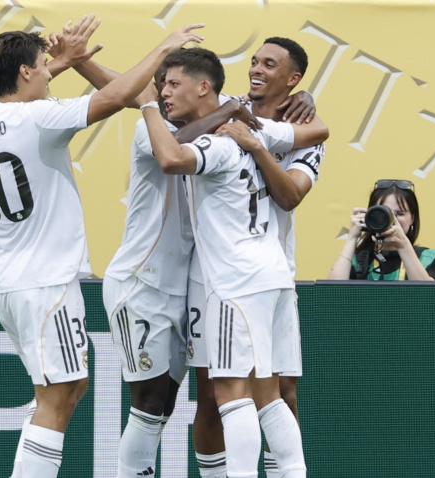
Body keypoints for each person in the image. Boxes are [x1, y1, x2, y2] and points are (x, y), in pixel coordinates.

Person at [0, 14, 204, 478]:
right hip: (47, 280)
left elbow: (30, 87)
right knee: (59, 395)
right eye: (42, 65)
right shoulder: (40, 117)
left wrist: (67, 59)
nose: (49, 72)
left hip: (8, 280)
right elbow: (116, 98)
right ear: (26, 73)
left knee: (61, 390)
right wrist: (163, 49)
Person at [142, 47, 327, 478]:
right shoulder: (253, 124)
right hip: (266, 271)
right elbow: (319, 128)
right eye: (255, 62)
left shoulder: (228, 139)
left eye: (174, 86)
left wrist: (146, 104)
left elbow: (172, 157)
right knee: (265, 395)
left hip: (234, 279)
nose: (168, 94)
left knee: (235, 395)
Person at [328, 179, 435, 281]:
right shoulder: (357, 260)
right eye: (383, 213)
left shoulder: (427, 258)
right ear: (370, 215)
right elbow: (331, 294)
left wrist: (403, 245)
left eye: (400, 213)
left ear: (412, 218)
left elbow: (429, 298)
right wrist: (352, 238)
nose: (392, 219)